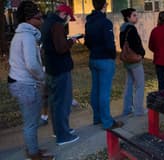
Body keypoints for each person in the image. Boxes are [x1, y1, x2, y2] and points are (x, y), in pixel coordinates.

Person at [7, 1, 54, 159]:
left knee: (31, 120)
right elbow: (31, 64)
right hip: (24, 85)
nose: (41, 21)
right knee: (31, 122)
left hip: (20, 82)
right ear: (28, 19)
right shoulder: (26, 36)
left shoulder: (22, 34)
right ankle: (33, 154)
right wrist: (42, 77)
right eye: (38, 17)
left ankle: (32, 149)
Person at [41, 4, 79, 145]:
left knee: (55, 102)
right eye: (68, 17)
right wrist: (71, 41)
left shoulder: (47, 23)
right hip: (60, 69)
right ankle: (63, 136)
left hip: (51, 68)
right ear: (64, 14)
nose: (68, 20)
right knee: (62, 103)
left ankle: (59, 130)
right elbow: (61, 48)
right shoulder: (57, 25)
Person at [84, 0, 124, 129]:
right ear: (104, 6)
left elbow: (87, 42)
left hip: (94, 58)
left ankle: (97, 118)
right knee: (104, 92)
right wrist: (112, 56)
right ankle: (107, 121)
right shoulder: (105, 22)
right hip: (104, 60)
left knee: (95, 90)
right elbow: (109, 43)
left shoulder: (89, 22)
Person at [119, 8, 146, 116]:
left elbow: (122, 45)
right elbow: (136, 45)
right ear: (128, 17)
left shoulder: (122, 29)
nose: (136, 17)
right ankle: (138, 110)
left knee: (129, 84)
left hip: (127, 60)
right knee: (140, 85)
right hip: (135, 61)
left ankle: (127, 109)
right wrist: (142, 53)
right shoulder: (131, 29)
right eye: (134, 15)